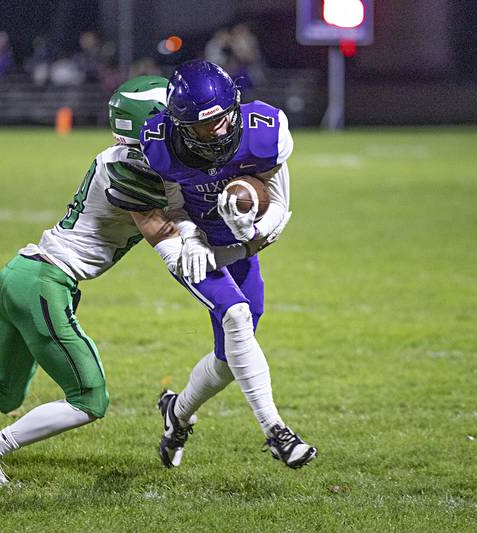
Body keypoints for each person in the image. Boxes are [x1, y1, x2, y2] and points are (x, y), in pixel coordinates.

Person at [0, 75, 247, 486]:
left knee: (5, 393)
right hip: (44, 283)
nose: (181, 131)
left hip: (22, 274)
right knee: (90, 399)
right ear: (147, 127)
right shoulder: (133, 169)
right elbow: (165, 232)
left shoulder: (127, 159)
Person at [140, 59, 317, 470]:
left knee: (229, 359)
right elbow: (173, 208)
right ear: (182, 126)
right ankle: (277, 432)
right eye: (204, 126)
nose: (216, 129)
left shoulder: (264, 131)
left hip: (239, 251)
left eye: (221, 119)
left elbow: (281, 207)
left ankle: (176, 415)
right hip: (195, 252)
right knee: (236, 317)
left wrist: (249, 229)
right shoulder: (162, 144)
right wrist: (191, 237)